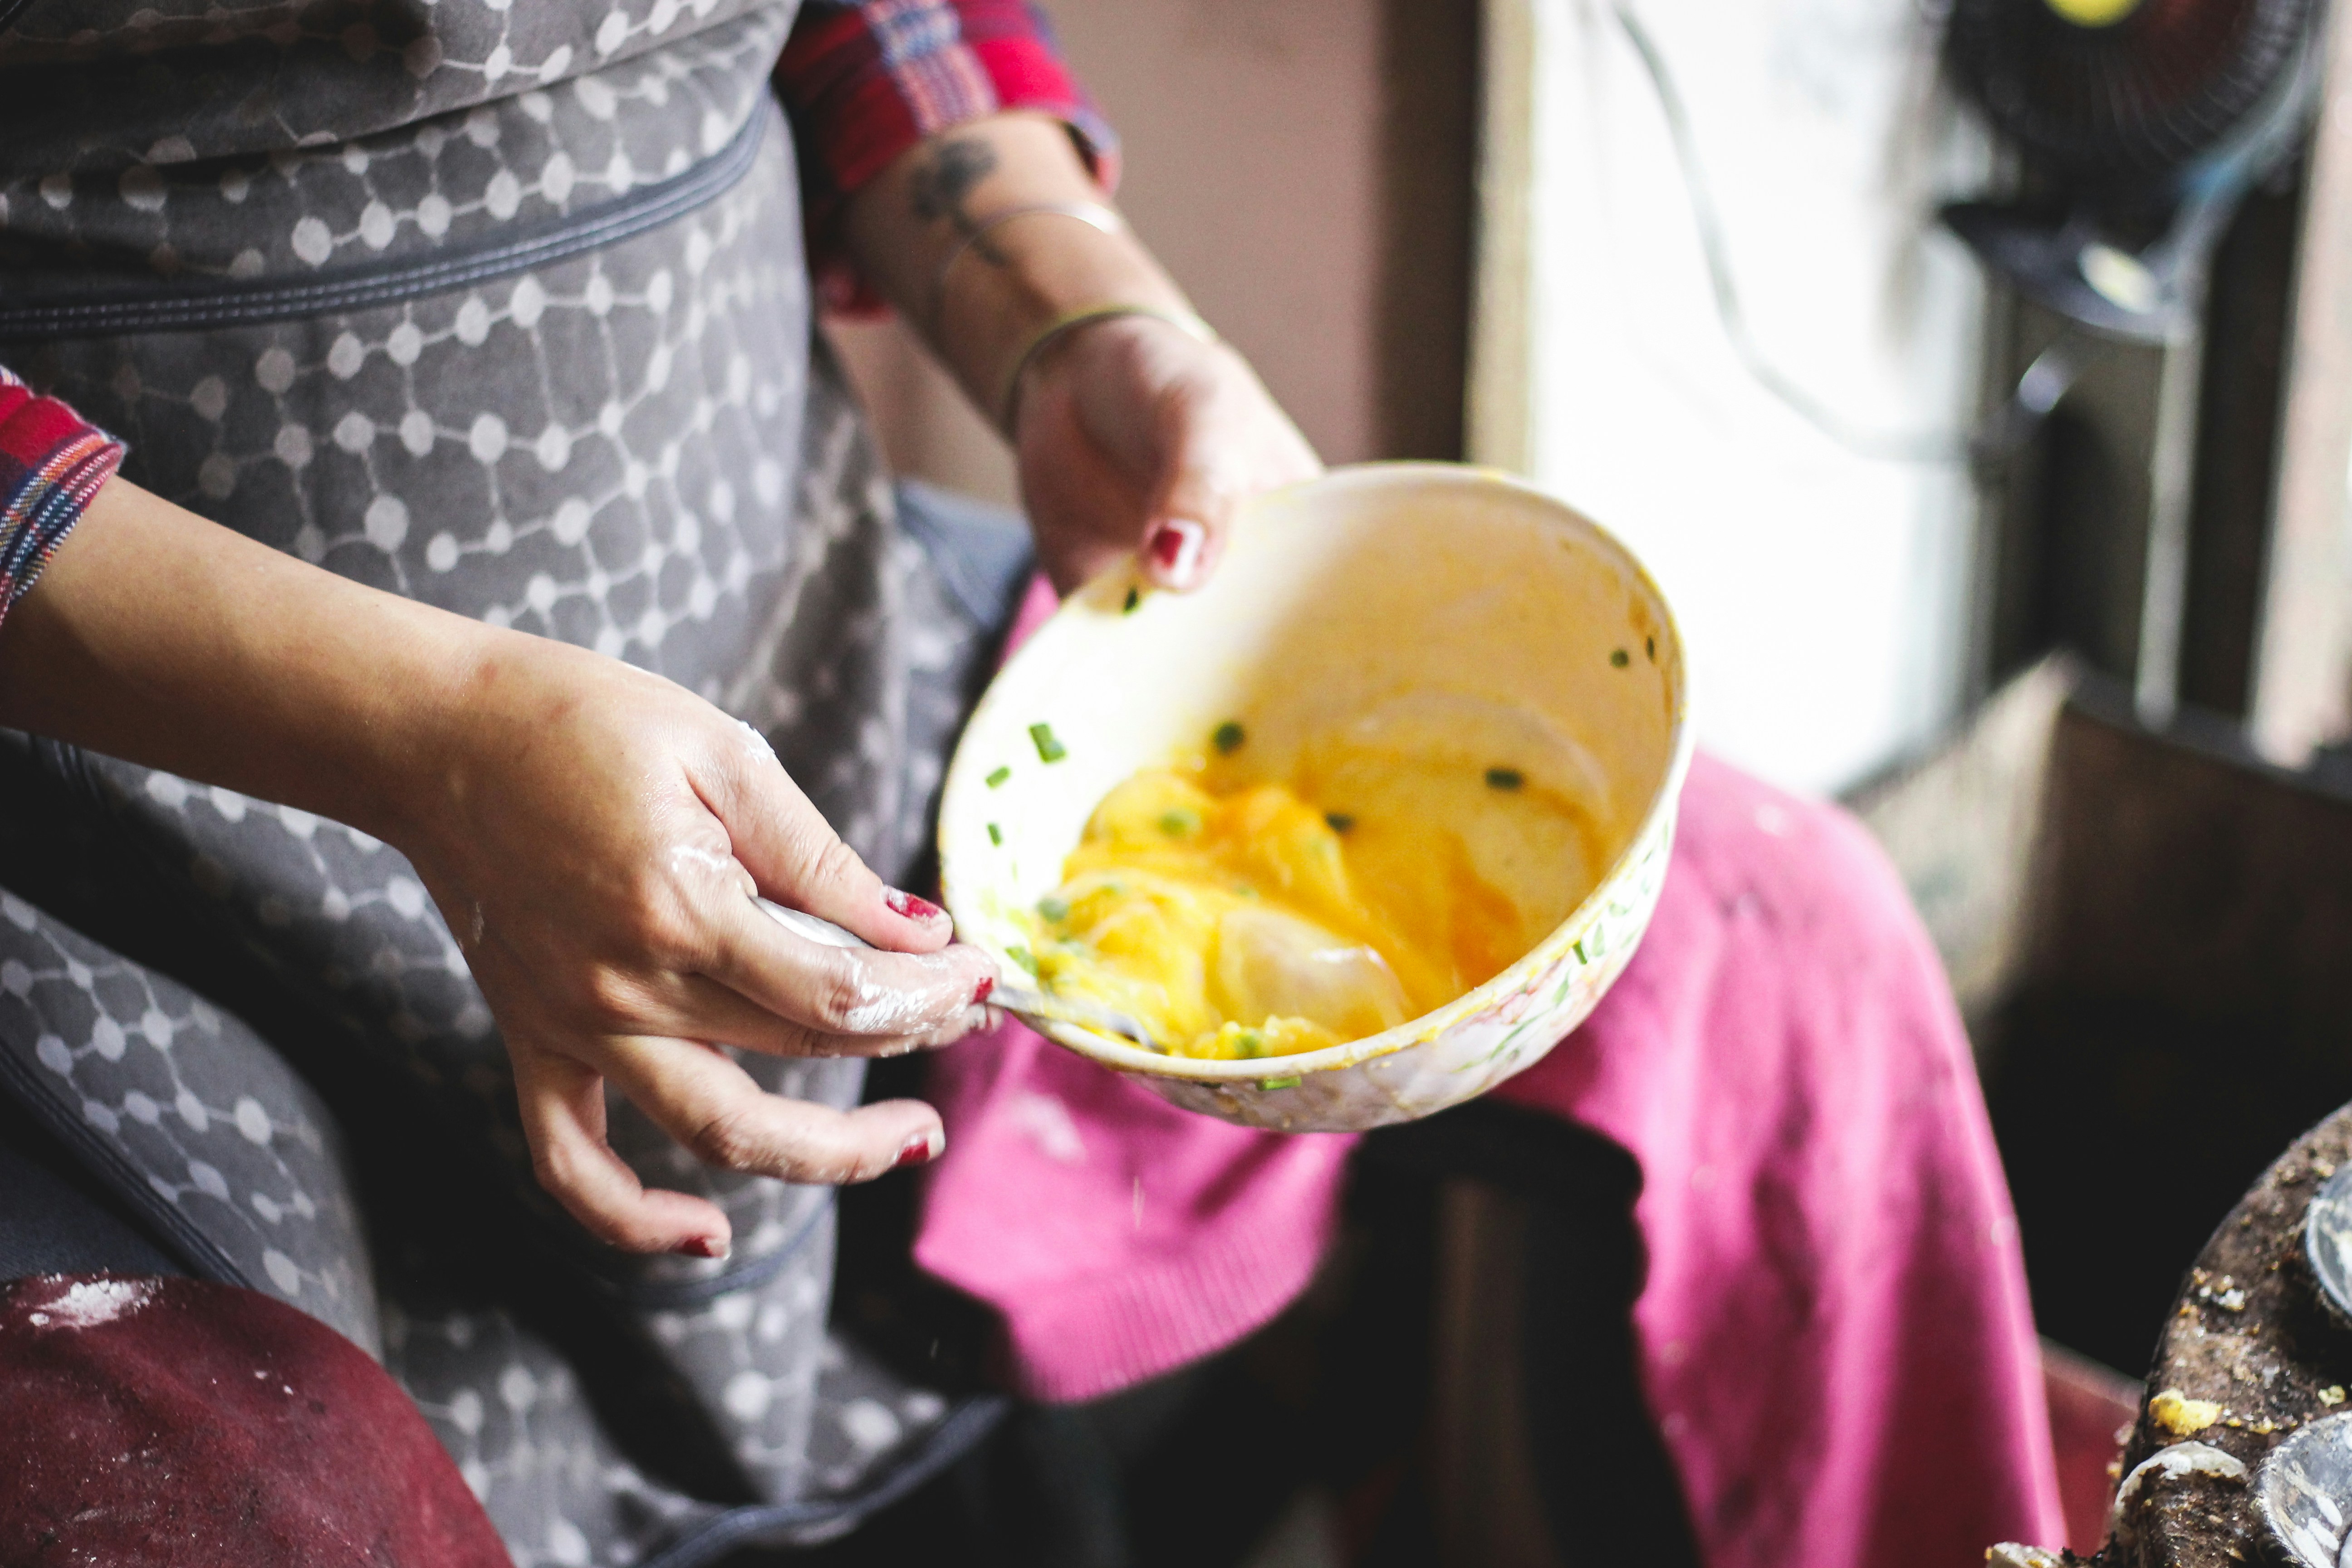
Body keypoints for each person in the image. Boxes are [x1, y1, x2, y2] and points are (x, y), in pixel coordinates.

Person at [0, 4, 2066, 1565]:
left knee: (1780, 932)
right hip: (108, 854)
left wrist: (1071, 317)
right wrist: (437, 745)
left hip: (810, 647)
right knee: (221, 1495)